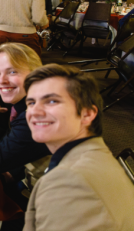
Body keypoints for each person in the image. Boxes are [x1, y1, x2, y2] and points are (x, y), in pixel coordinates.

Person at [24, 64, 134, 231]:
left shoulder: (70, 180)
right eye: (31, 102)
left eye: (52, 101)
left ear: (87, 114)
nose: (35, 111)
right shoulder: (95, 156)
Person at [0, 43, 50, 212]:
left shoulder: (37, 116)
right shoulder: (30, 102)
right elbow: (26, 149)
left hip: (53, 207)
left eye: (12, 71)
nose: (2, 81)